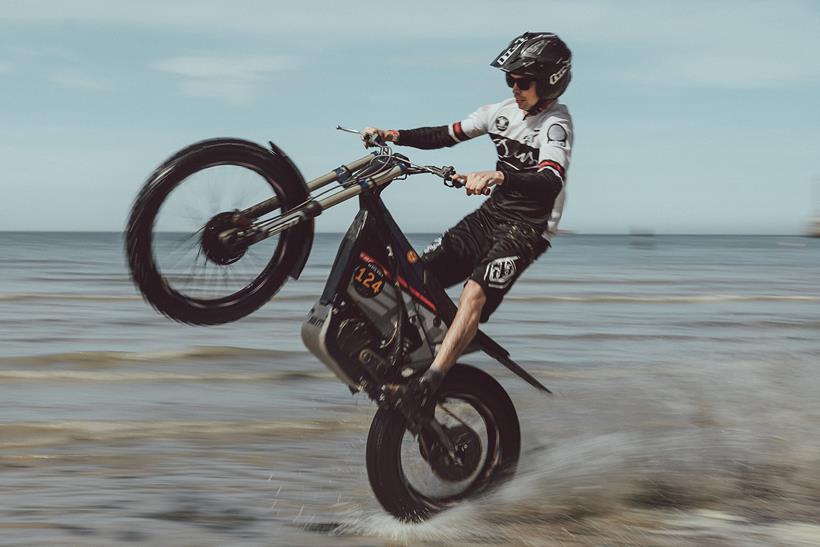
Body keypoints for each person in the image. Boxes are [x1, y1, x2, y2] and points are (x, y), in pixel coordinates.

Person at [363, 32, 574, 411]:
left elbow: (550, 180)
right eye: (509, 79)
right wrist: (392, 135)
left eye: (522, 81)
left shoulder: (555, 124)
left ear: (549, 81)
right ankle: (403, 354)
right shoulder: (498, 113)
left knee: (473, 293)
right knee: (413, 276)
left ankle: (433, 380)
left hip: (527, 230)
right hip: (490, 217)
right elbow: (444, 135)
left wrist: (497, 176)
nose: (514, 87)